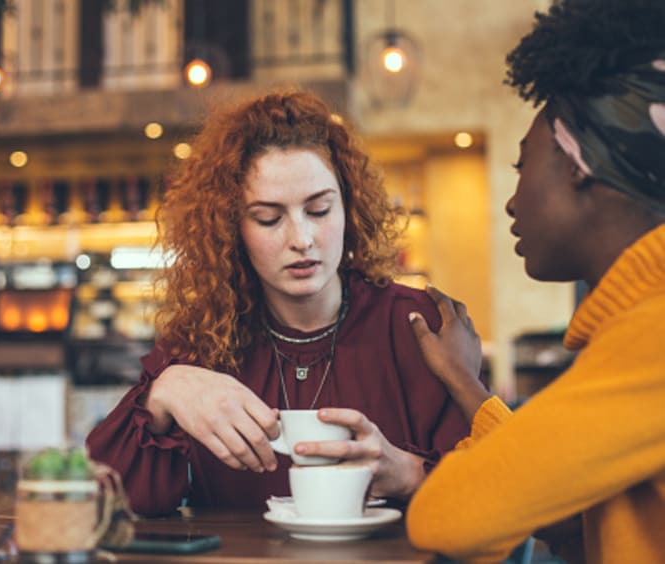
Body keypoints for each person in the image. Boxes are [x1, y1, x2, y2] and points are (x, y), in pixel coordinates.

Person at [86, 90, 472, 516]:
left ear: (349, 207)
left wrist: (409, 474)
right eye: (269, 218)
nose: (301, 239)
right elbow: (106, 503)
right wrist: (163, 394)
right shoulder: (203, 341)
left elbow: (495, 501)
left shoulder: (416, 326)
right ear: (232, 228)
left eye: (320, 210)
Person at [405, 0, 665, 562]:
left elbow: (446, 517)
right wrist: (466, 382)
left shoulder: (652, 339)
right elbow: (568, 504)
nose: (512, 200)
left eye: (524, 166)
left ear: (578, 164)